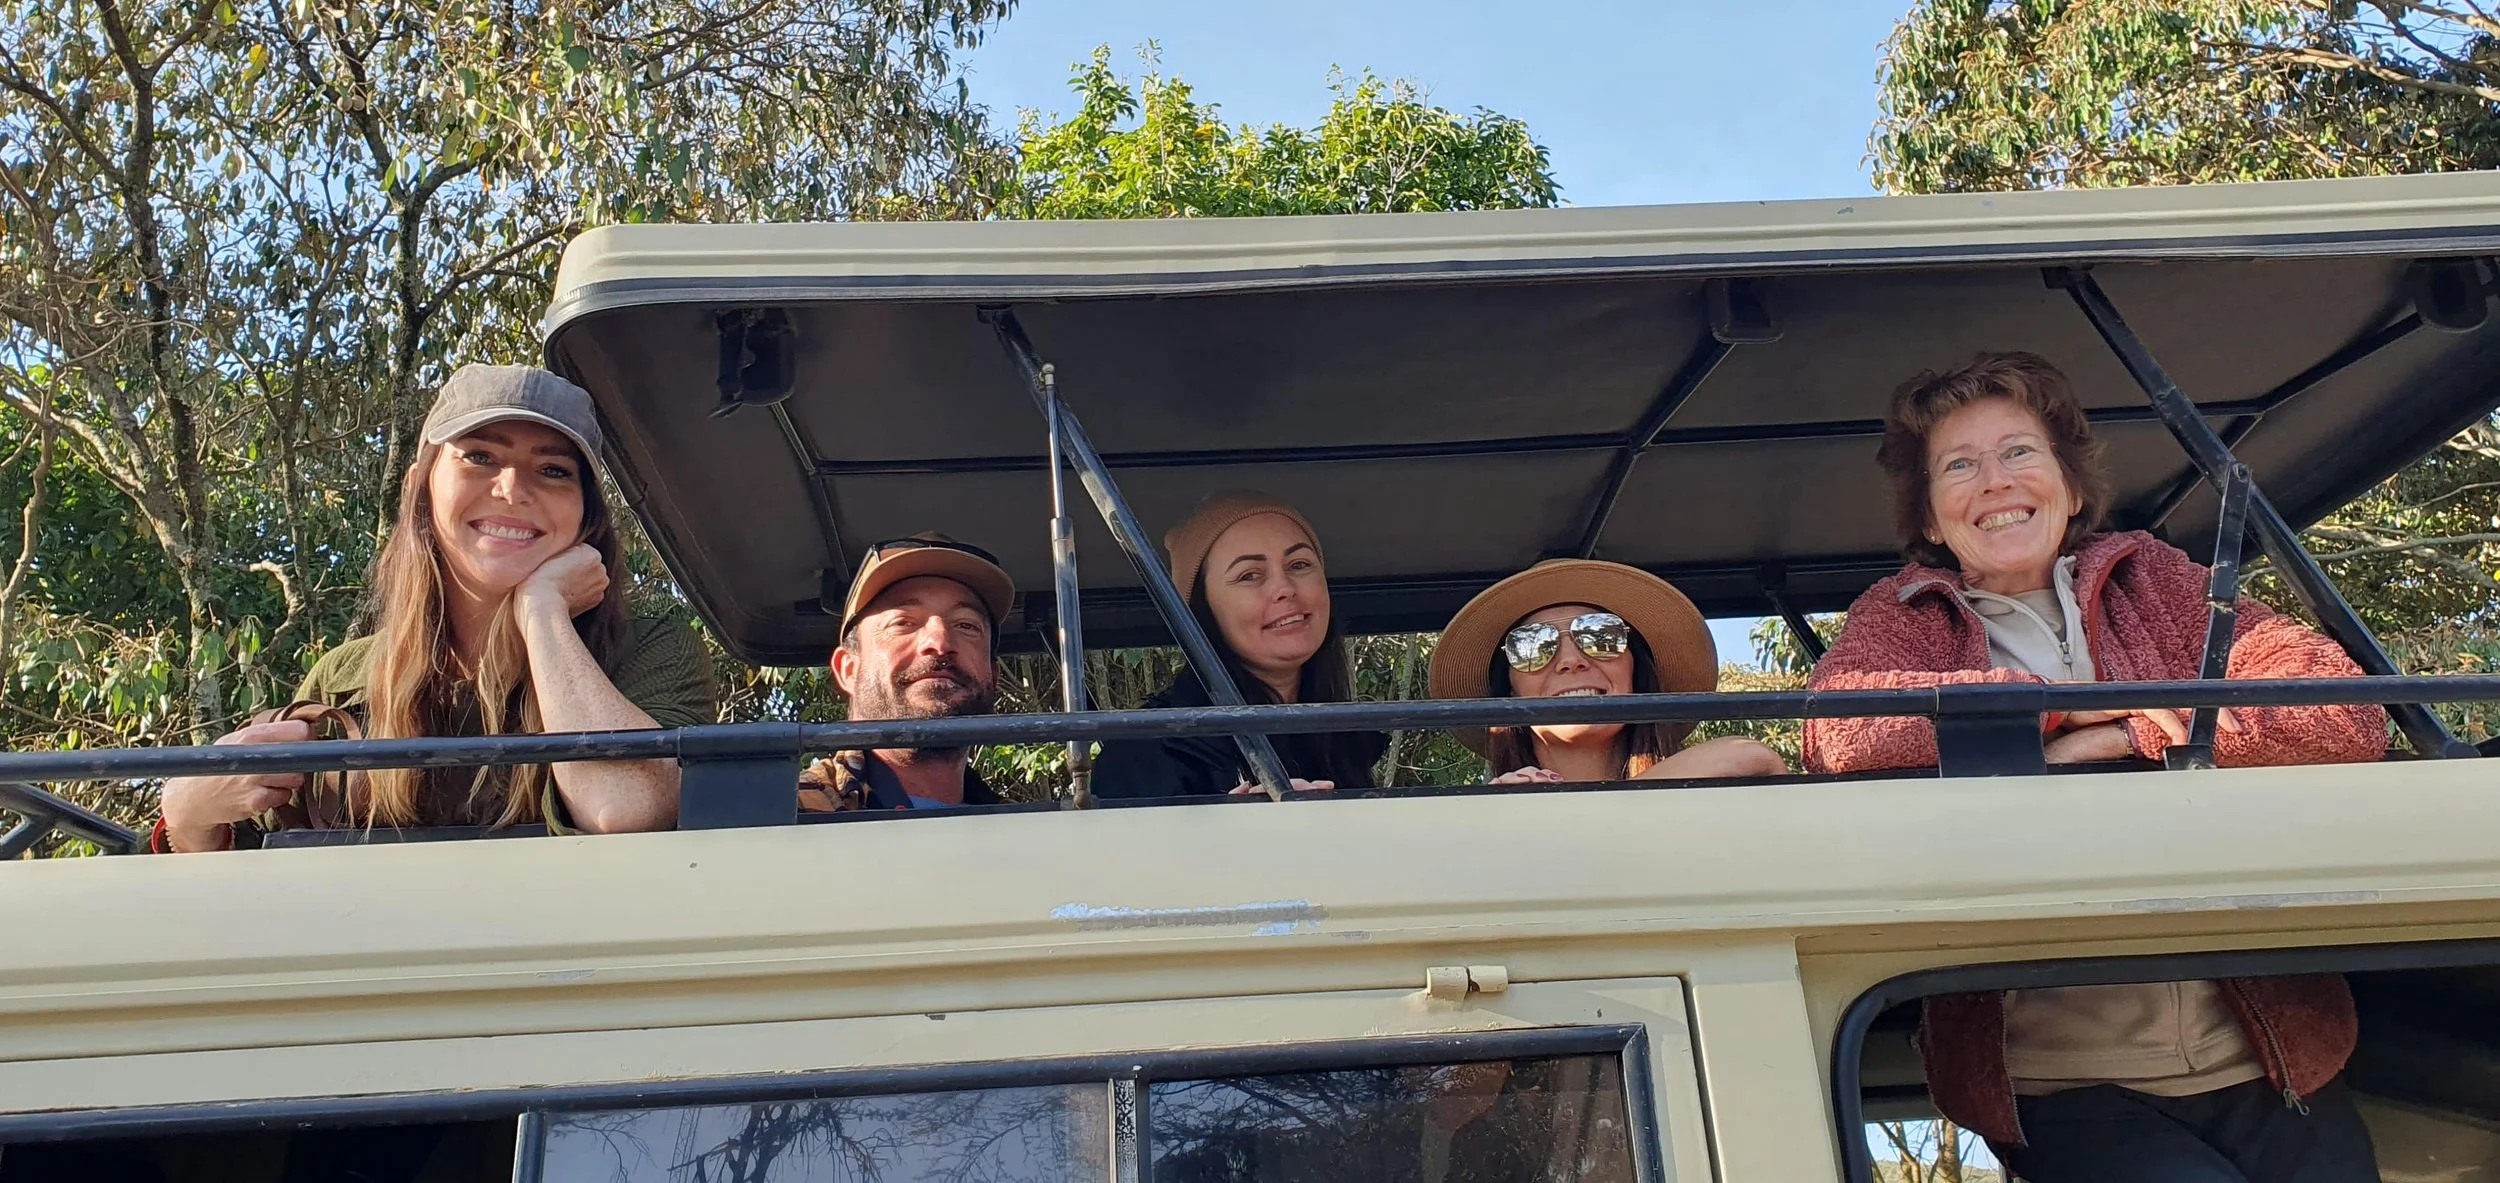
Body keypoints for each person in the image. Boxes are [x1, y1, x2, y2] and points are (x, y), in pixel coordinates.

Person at [1807, 351, 2386, 1182]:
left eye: (2019, 452)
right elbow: (1841, 732)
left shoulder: (2159, 580)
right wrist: (2054, 710)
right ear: (1930, 518)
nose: (1995, 481)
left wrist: (2137, 733)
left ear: (2071, 486)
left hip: (2273, 1057)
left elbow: (2344, 708)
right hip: (2063, 1079)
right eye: (1959, 465)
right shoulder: (1903, 615)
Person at [148, 365, 718, 852]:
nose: (512, 489)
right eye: (480, 457)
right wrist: (189, 815)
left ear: (586, 516)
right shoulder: (342, 677)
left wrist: (542, 611)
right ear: (419, 487)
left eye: (553, 471)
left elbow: (622, 811)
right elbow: (248, 877)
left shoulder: (652, 653)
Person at [1091, 491, 1387, 798]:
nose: (1284, 588)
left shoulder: (1348, 737)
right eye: (1249, 575)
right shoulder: (1143, 755)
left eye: (1299, 564)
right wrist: (1232, 823)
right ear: (1201, 609)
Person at [1427, 559, 1787, 783]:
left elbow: (1756, 758)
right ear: (1509, 689)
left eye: (1601, 636)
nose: (1571, 660)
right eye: (1533, 646)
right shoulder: (1487, 814)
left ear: (1636, 671)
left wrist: (1583, 810)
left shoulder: (1713, 784)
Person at [795, 534, 1017, 811]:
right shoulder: (789, 814)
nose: (939, 643)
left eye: (966, 625)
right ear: (848, 670)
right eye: (903, 622)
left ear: (993, 677)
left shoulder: (1030, 828)